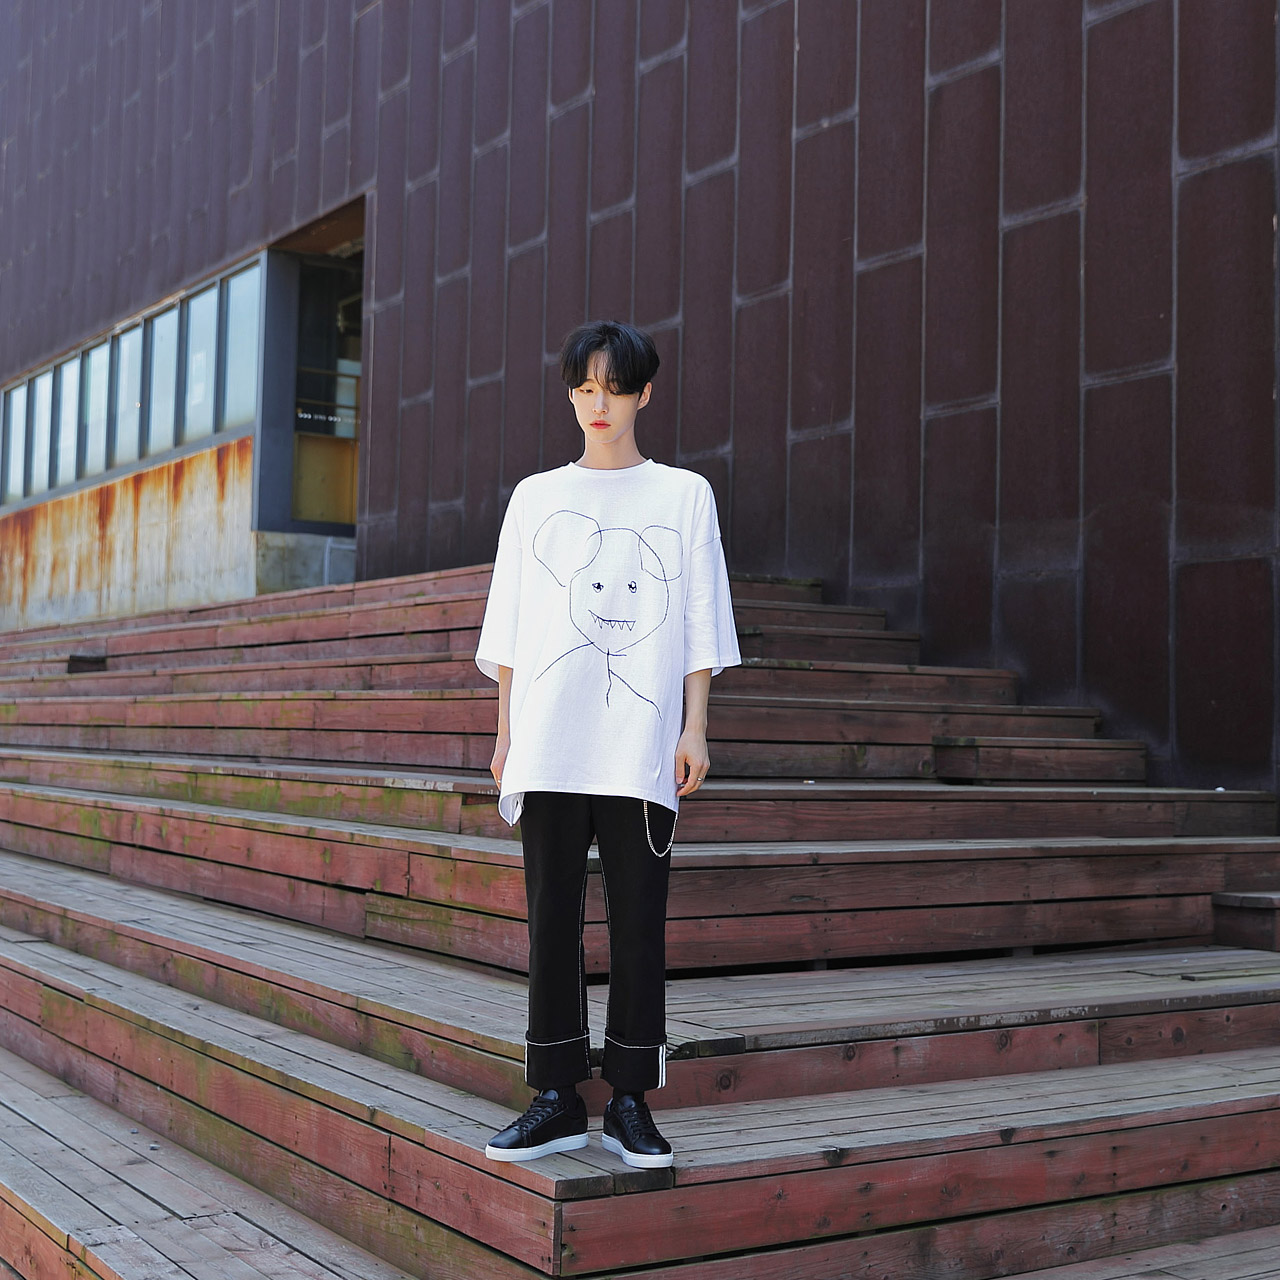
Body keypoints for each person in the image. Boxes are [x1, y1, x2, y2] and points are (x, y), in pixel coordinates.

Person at [474, 320, 740, 1168]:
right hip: (549, 740)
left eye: (615, 389)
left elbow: (700, 617)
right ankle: (555, 1097)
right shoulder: (535, 498)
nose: (599, 405)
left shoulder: (683, 496)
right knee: (551, 919)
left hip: (641, 746)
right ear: (570, 394)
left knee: (638, 925)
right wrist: (506, 735)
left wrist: (695, 725)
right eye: (585, 388)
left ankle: (629, 1101)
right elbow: (511, 626)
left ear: (644, 394)